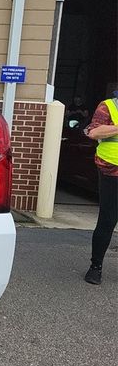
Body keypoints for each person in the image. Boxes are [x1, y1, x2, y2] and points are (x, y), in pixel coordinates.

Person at [83, 92, 118, 284]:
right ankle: (95, 267)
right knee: (108, 219)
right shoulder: (108, 106)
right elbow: (93, 132)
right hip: (112, 170)